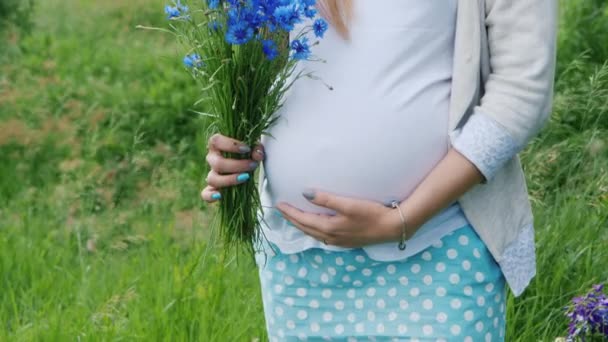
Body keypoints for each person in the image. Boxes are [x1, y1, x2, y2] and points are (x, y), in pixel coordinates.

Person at [201, 0, 558, 340]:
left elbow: (522, 91)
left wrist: (404, 219)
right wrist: (237, 141)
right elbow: (260, 57)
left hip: (440, 249)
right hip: (298, 259)